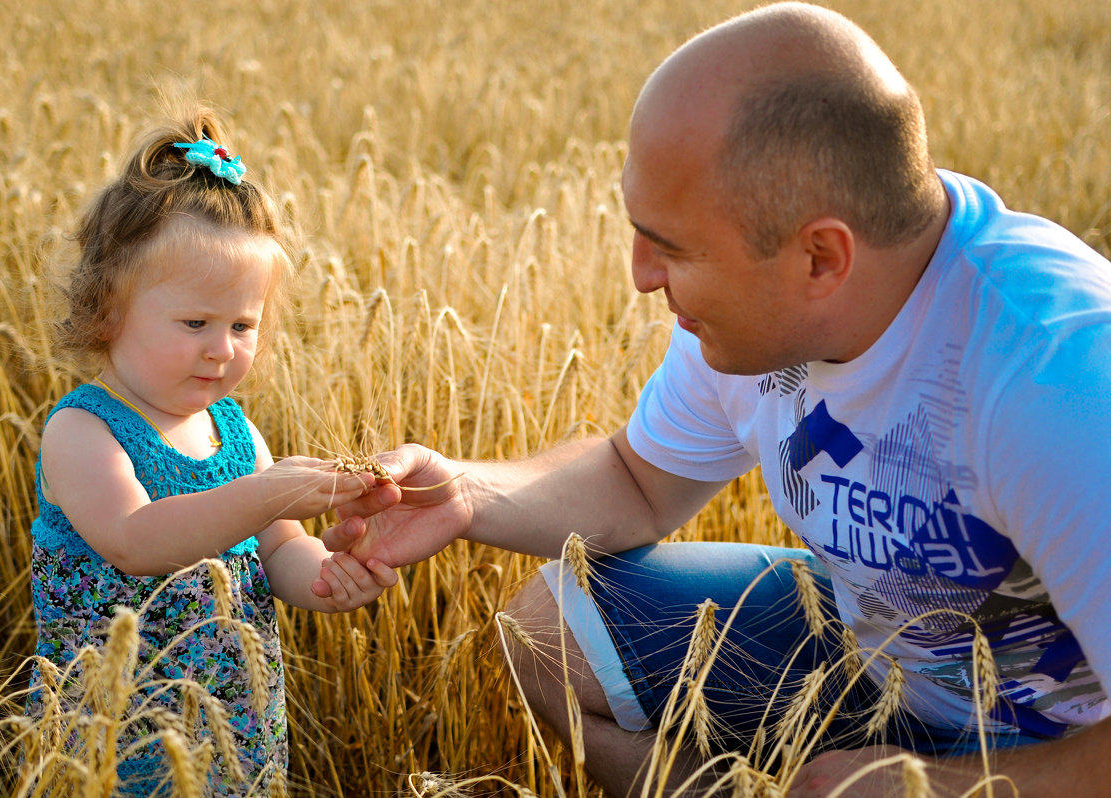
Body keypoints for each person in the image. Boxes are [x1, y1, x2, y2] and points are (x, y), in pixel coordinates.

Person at [322, 3, 1111, 796]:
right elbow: (637, 483)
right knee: (543, 634)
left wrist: (935, 790)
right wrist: (465, 494)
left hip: (1061, 742)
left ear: (820, 256)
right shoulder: (755, 323)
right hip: (878, 649)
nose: (640, 276)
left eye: (672, 249)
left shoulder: (1059, 378)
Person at [24, 108, 398, 795]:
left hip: (235, 725)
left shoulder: (235, 431)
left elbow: (279, 550)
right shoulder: (82, 431)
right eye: (195, 322)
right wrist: (266, 493)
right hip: (115, 735)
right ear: (108, 308)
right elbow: (135, 541)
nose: (222, 347)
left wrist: (329, 574)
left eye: (243, 325)